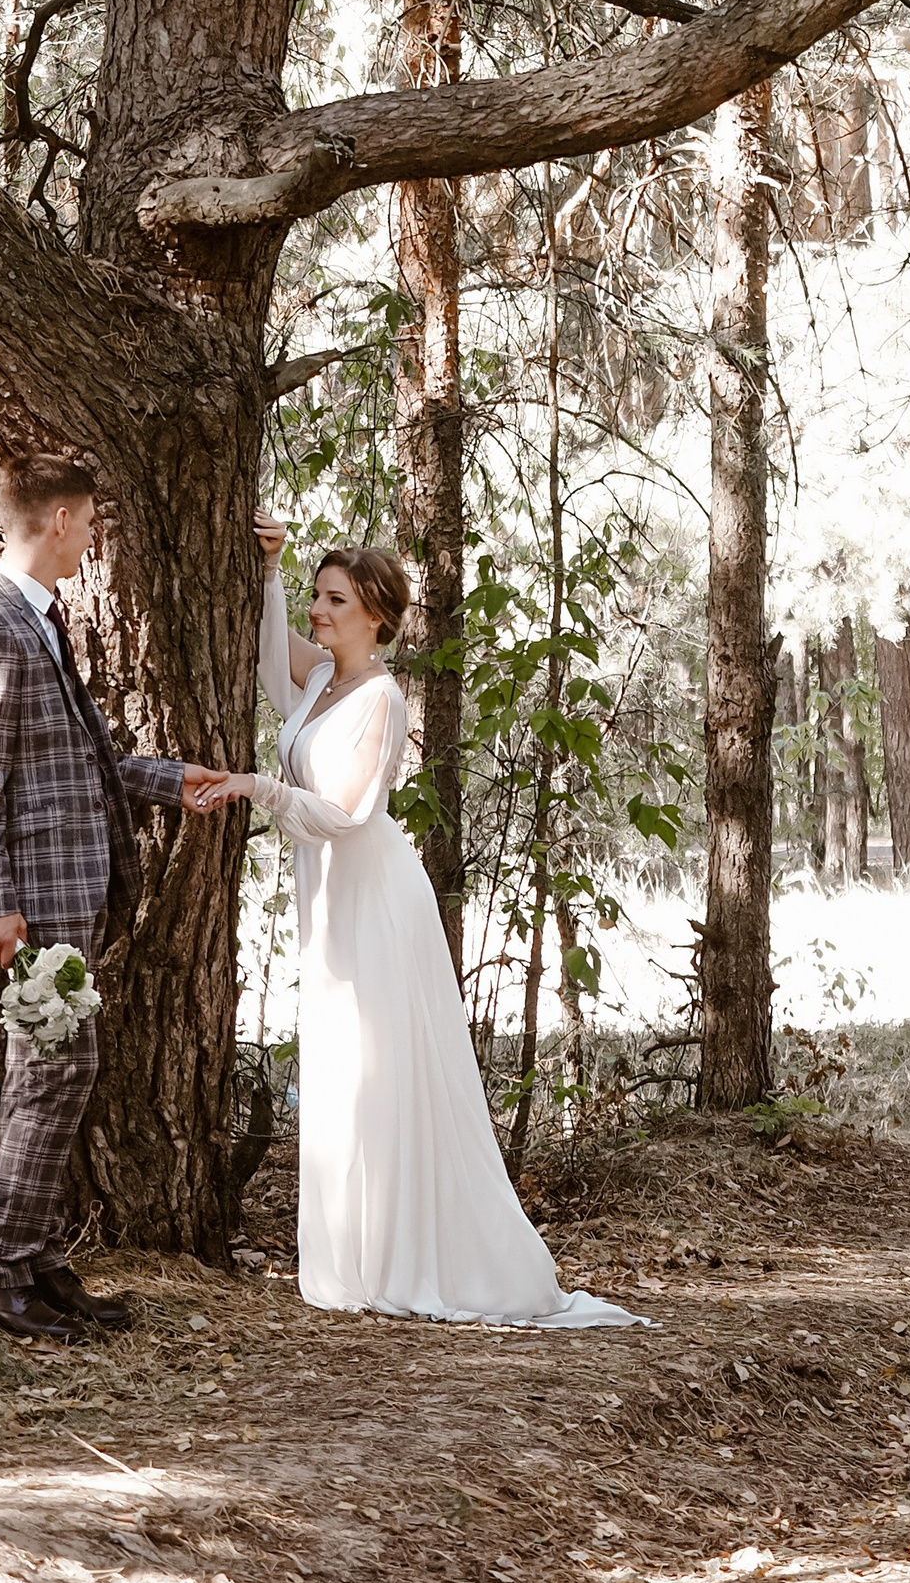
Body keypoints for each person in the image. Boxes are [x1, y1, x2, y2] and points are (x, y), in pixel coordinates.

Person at [183, 520, 637, 1327]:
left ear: (376, 617)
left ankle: (408, 1257)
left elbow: (350, 811)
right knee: (342, 1066)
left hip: (375, 893)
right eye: (319, 598)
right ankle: (353, 1255)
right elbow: (265, 657)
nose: (319, 612)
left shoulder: (381, 697)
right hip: (329, 897)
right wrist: (272, 568)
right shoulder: (319, 676)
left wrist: (256, 786)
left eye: (335, 600)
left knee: (380, 1069)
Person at [0, 448, 211, 1342]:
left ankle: (40, 1262)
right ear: (59, 519)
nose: (92, 537)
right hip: (31, 898)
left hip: (69, 887)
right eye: (89, 520)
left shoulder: (42, 621)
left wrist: (172, 779)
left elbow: (78, 761)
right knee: (50, 1071)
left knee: (68, 1069)